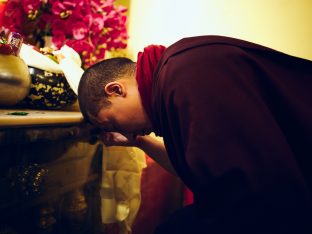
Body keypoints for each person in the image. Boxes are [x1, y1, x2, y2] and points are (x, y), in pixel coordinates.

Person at [78, 35, 312, 233]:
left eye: (112, 124)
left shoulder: (184, 73)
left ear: (116, 90)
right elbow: (195, 171)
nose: (122, 132)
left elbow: (255, 194)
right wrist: (139, 141)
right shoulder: (171, 77)